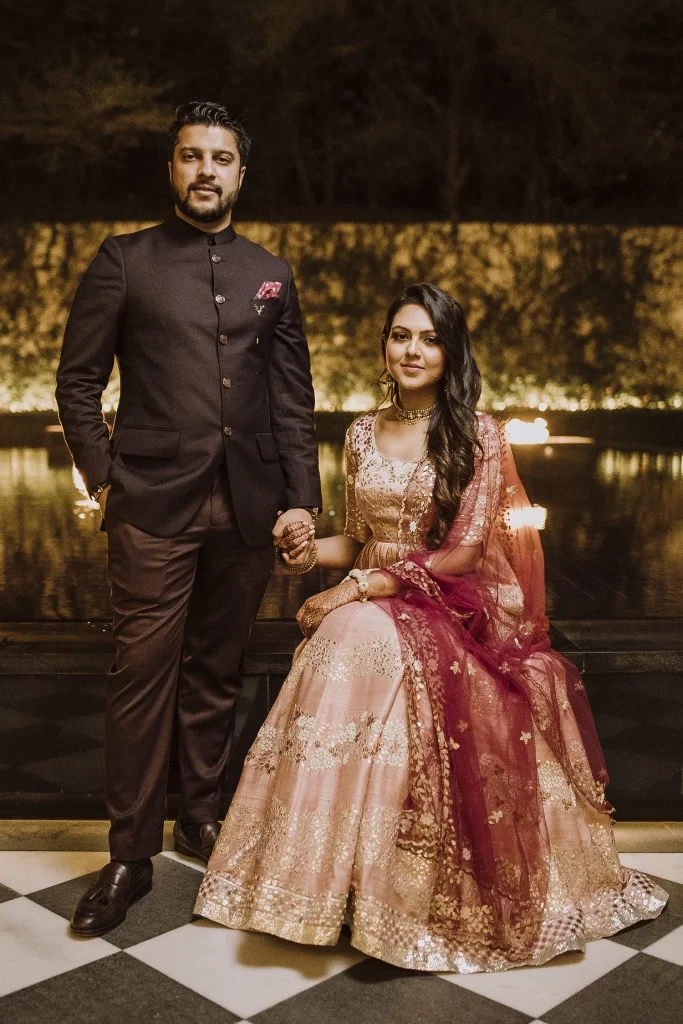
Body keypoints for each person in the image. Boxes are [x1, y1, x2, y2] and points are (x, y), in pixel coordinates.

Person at [195, 283, 667, 972]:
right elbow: (355, 537)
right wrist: (301, 551)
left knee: (348, 638)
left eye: (427, 338)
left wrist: (358, 586)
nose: (411, 350)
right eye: (400, 335)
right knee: (339, 639)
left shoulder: (477, 434)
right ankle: (314, 888)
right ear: (384, 346)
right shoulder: (359, 431)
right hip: (369, 597)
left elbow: (464, 553)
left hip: (442, 600)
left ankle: (397, 891)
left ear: (449, 352)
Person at [56, 101, 322, 937]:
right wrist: (108, 479)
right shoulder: (124, 261)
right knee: (142, 673)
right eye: (189, 156)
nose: (205, 170)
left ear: (242, 173)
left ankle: (200, 815)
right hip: (152, 506)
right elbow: (76, 382)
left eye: (220, 158)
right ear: (172, 169)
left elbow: (291, 399)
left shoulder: (270, 271)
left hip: (249, 503)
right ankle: (130, 852)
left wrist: (303, 499)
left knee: (217, 668)